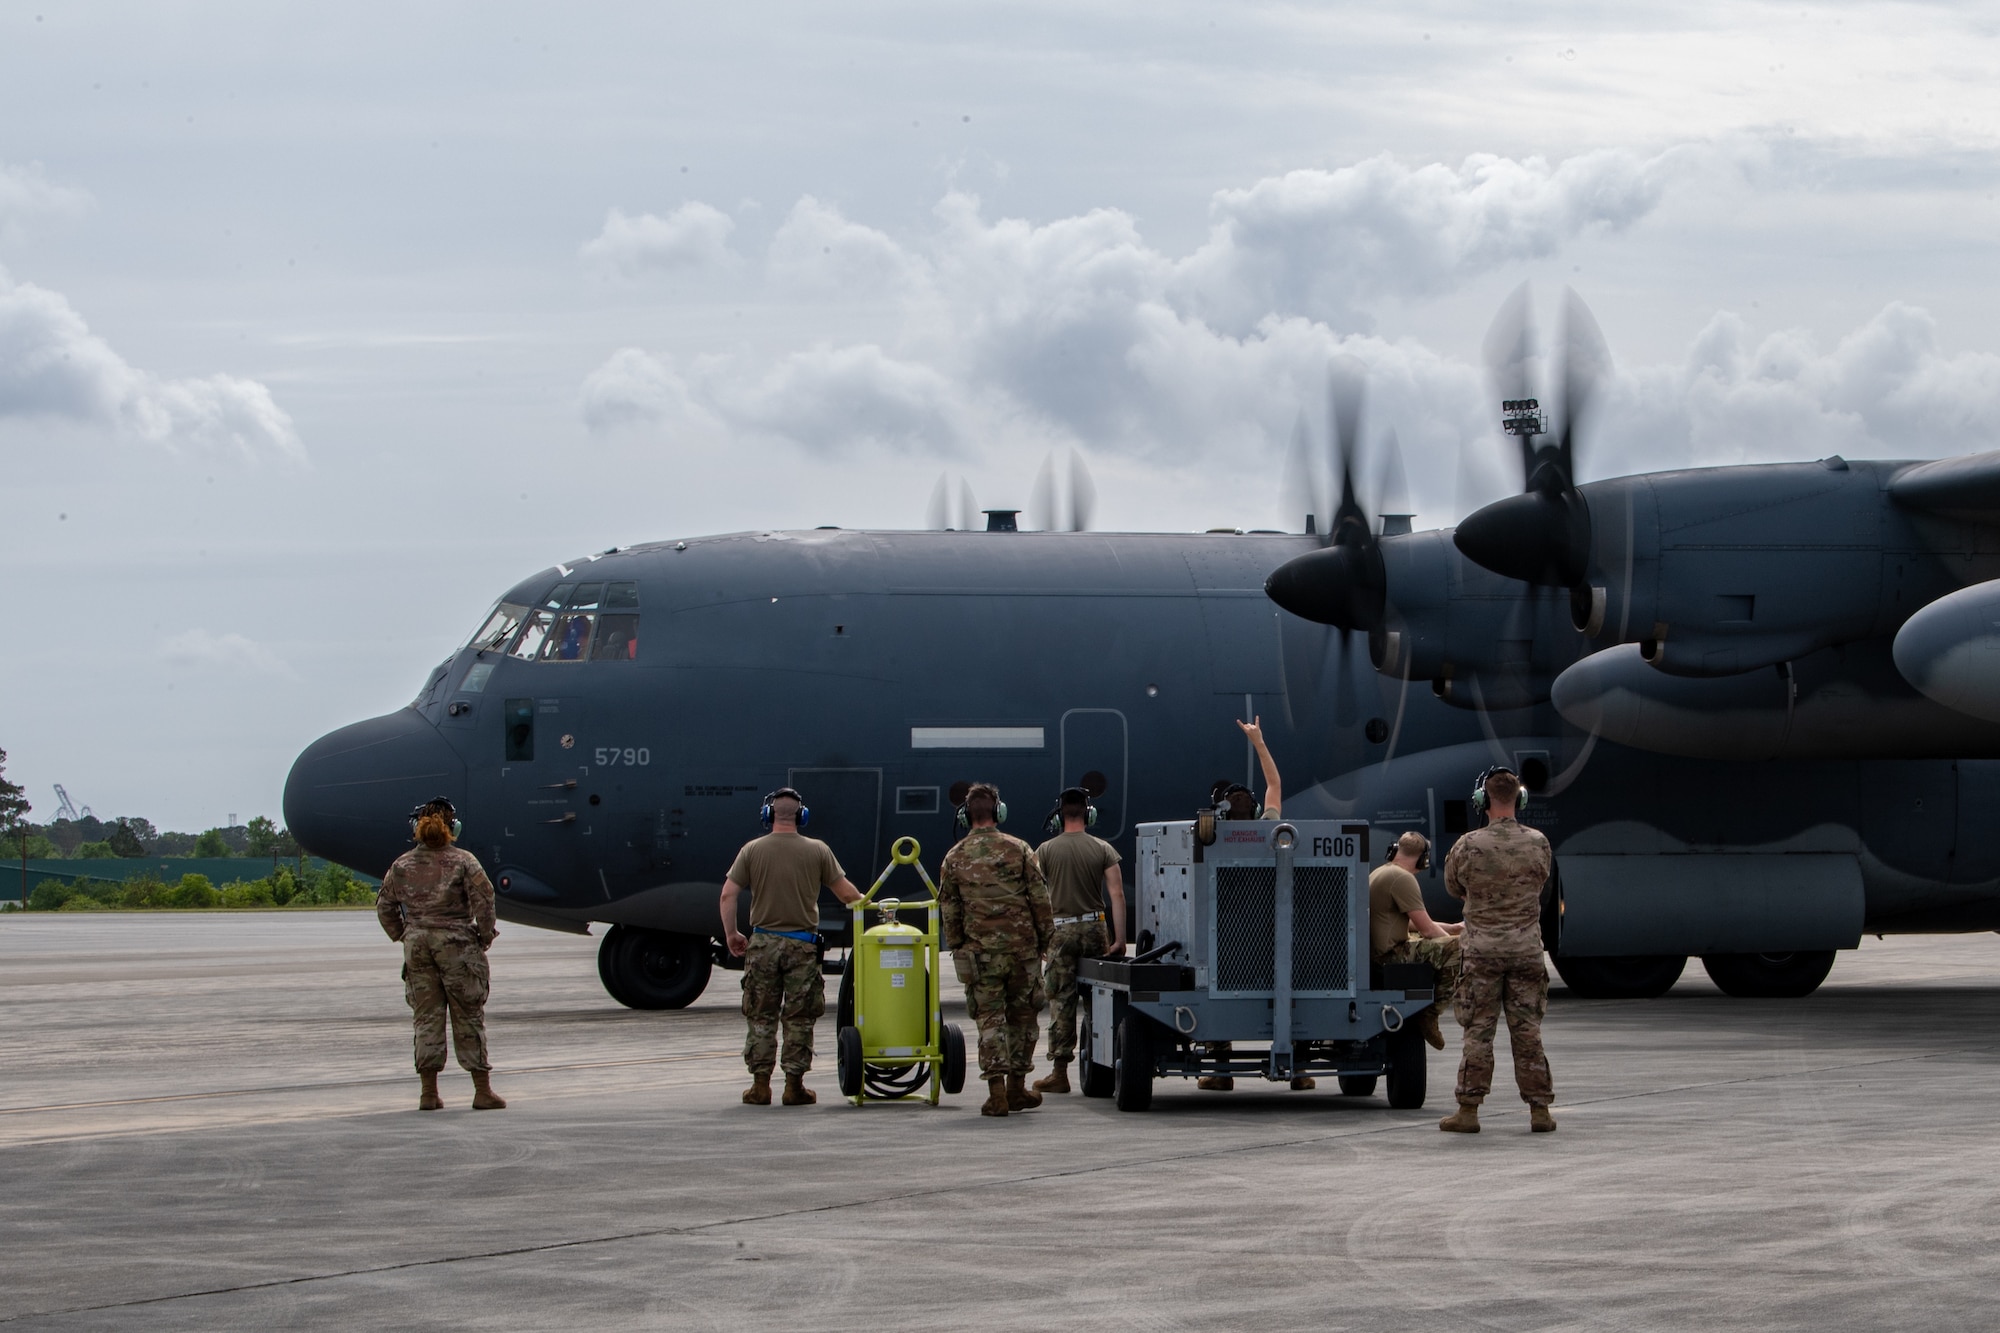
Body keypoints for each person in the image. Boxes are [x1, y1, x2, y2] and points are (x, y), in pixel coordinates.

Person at [719, 787, 863, 1107]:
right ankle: (793, 1086)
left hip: (763, 943)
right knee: (799, 1018)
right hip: (802, 946)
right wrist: (875, 909)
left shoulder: (751, 850)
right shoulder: (818, 850)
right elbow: (847, 895)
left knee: (761, 1016)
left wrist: (732, 934)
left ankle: (759, 1087)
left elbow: (728, 894)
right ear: (802, 816)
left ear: (768, 815)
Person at [1439, 766, 1556, 1134]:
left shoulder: (1469, 845)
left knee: (1478, 1031)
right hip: (1525, 951)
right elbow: (1541, 880)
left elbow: (1453, 887)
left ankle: (1469, 1110)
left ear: (1482, 801)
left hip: (1482, 952)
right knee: (1528, 1031)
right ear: (1519, 798)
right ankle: (1540, 1111)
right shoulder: (1538, 842)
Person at [1199, 716, 1315, 1092]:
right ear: (1253, 807)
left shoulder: (1214, 839)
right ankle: (1299, 1070)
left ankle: (1220, 1070)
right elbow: (1275, 784)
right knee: (1291, 990)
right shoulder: (1270, 829)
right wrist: (1259, 742)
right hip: (1273, 931)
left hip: (1229, 934)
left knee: (1213, 990)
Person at [376, 796, 505, 1112]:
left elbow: (384, 906)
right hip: (457, 944)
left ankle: (429, 1094)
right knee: (468, 1013)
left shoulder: (402, 865)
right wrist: (485, 936)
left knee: (426, 1017)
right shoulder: (463, 861)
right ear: (453, 828)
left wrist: (404, 933)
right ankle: (482, 1091)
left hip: (418, 947)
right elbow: (485, 900)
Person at [938, 782, 1053, 1117]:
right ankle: (1018, 1088)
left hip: (981, 955)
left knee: (990, 1020)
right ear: (998, 812)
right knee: (1024, 1018)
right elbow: (1040, 901)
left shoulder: (954, 857)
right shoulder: (1019, 849)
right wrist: (1045, 942)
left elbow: (950, 910)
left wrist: (959, 945)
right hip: (1023, 953)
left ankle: (997, 1094)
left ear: (965, 816)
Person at [1031, 786, 1126, 1095]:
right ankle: (1105, 1067)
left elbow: (1033, 896)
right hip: (1095, 928)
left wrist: (1040, 938)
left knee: (1061, 1000)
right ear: (1089, 814)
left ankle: (1059, 1073)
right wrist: (1120, 938)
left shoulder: (1044, 851)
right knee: (1100, 1000)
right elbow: (1117, 894)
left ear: (1060, 816)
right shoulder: (1103, 849)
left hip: (1060, 931)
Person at [1370, 831, 1463, 1051]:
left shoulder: (1381, 873)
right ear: (1423, 858)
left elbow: (1405, 922)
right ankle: (1430, 1014)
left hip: (1377, 953)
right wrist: (1455, 939)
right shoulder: (1403, 878)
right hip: (1390, 955)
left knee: (1451, 938)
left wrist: (1453, 928)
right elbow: (1428, 930)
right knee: (1460, 948)